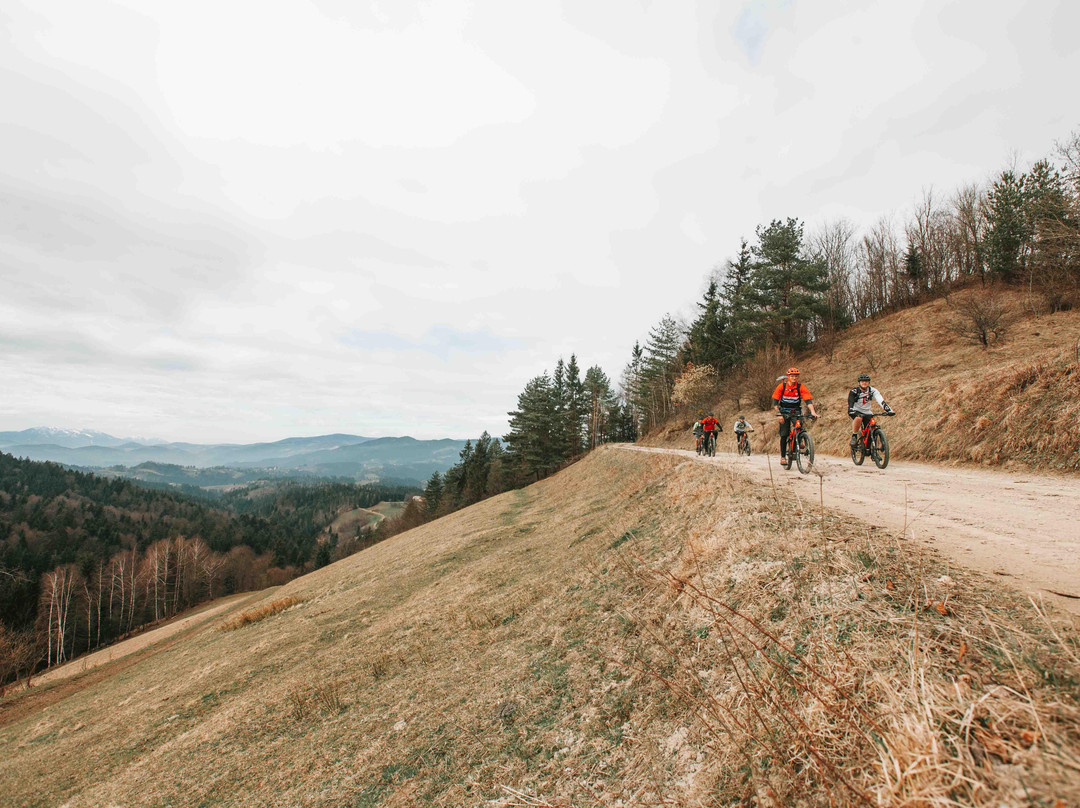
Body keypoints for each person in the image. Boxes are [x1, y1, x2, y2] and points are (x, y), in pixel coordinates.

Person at [772, 368, 819, 466]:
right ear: (788, 377)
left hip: (795, 410)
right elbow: (775, 402)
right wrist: (779, 414)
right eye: (792, 376)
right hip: (783, 411)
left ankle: (800, 438)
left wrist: (813, 412)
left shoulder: (800, 387)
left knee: (799, 426)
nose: (794, 378)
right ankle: (783, 457)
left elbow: (808, 401)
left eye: (796, 376)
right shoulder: (782, 386)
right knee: (784, 434)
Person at [848, 373, 894, 447]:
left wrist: (889, 410)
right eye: (862, 381)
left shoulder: (873, 391)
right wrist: (850, 409)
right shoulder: (854, 391)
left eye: (866, 381)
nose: (864, 383)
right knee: (859, 417)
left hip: (867, 412)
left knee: (873, 427)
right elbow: (851, 401)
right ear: (859, 383)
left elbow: (881, 400)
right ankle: (854, 436)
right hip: (855, 410)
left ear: (869, 382)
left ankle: (873, 449)